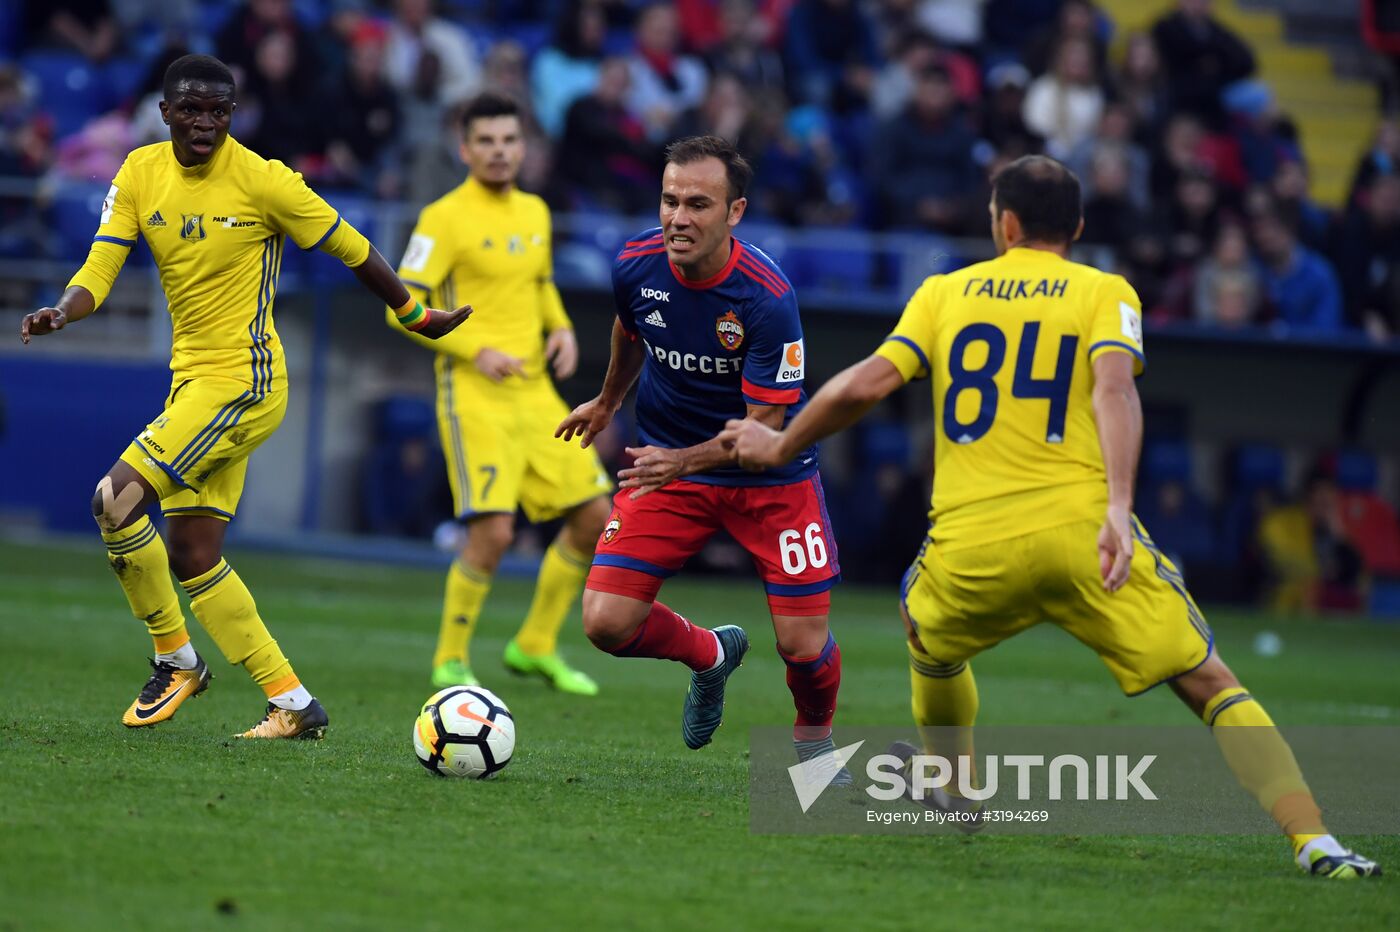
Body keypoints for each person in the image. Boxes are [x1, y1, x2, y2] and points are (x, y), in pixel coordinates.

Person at [721, 154, 1380, 879]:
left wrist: (781, 441)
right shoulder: (1105, 291)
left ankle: (953, 783)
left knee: (927, 638)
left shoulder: (945, 292)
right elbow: (1113, 392)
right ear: (1078, 226)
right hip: (1084, 536)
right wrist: (1121, 509)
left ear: (1002, 223)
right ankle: (1314, 840)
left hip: (973, 546)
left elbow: (864, 385)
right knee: (1210, 681)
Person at [18, 55, 470, 739]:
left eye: (218, 111)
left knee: (114, 501)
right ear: (165, 112)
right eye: (192, 109)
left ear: (234, 115)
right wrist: (63, 309)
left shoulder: (263, 179)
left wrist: (414, 315)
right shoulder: (140, 173)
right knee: (193, 553)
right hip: (193, 381)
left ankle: (176, 661)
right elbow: (101, 264)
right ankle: (292, 704)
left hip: (245, 381)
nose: (205, 122)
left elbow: (354, 248)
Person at [556, 135, 845, 772]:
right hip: (671, 467)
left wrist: (679, 461)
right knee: (605, 621)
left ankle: (813, 749)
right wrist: (607, 402)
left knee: (803, 645)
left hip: (770, 475)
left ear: (734, 212)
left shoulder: (766, 297)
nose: (678, 218)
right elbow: (630, 328)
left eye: (698, 204)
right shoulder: (635, 262)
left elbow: (763, 423)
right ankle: (711, 655)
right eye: (669, 201)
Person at [390, 93, 611, 696]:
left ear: (524, 147)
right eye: (485, 141)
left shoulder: (536, 212)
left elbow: (539, 283)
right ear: (465, 149)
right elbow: (400, 306)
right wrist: (472, 349)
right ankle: (450, 659)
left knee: (596, 514)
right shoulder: (443, 217)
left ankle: (535, 644)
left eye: (509, 140)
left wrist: (561, 325)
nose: (499, 151)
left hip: (537, 392)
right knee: (493, 531)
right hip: (473, 395)